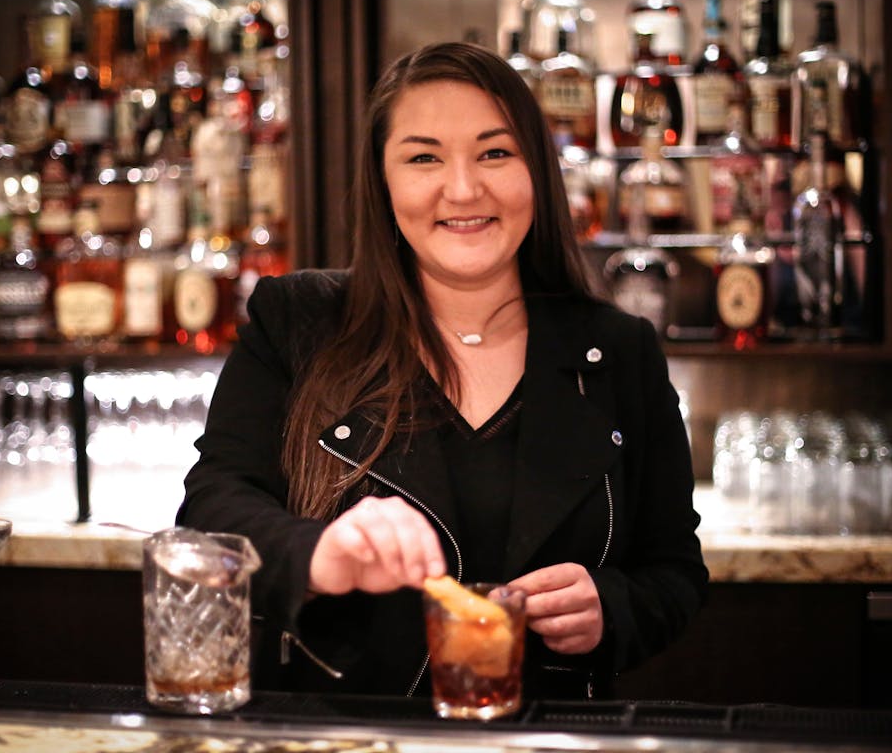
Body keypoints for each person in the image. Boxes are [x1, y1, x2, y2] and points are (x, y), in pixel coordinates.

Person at [177, 41, 708, 700]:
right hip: (344, 740)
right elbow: (209, 512)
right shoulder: (300, 323)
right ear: (383, 179)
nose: (463, 189)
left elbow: (676, 573)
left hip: (546, 743)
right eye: (424, 157)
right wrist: (318, 553)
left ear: (537, 171)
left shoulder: (619, 351)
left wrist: (613, 606)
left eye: (495, 153)